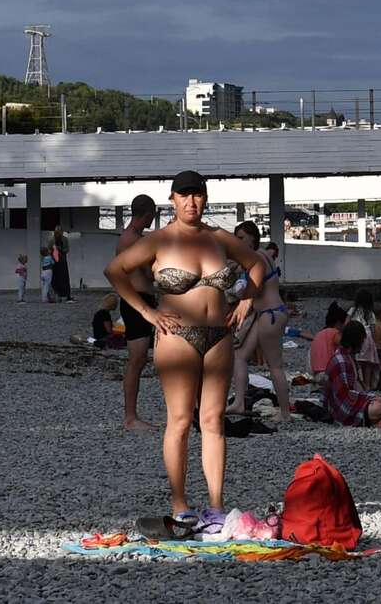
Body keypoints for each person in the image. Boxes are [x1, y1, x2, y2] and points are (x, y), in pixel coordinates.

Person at [104, 170, 268, 518]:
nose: (191, 201)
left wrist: (246, 302)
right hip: (177, 336)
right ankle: (180, 504)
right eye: (184, 195)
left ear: (205, 199)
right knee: (179, 421)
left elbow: (256, 263)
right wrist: (147, 312)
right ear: (173, 200)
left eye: (197, 195)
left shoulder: (219, 237)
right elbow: (116, 270)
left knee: (213, 420)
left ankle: (216, 506)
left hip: (218, 337)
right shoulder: (159, 240)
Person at [228, 225, 294, 423]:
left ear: (252, 238)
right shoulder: (263, 254)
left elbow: (251, 289)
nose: (238, 241)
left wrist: (238, 290)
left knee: (275, 366)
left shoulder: (256, 257)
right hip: (268, 314)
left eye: (241, 237)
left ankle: (285, 413)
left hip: (269, 314)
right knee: (239, 356)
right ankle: (239, 402)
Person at [115, 195, 161, 432]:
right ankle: (130, 417)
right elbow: (151, 273)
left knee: (140, 359)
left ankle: (131, 416)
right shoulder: (133, 240)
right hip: (137, 302)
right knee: (136, 360)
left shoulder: (132, 238)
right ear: (148, 214)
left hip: (138, 301)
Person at [321, 320, 381, 428]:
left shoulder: (350, 357)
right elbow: (344, 395)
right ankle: (375, 421)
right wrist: (371, 398)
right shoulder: (341, 360)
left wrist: (371, 399)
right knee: (379, 408)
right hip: (344, 409)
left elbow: (357, 387)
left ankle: (380, 422)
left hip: (356, 403)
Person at [348, 289, 381, 388]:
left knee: (357, 360)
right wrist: (376, 343)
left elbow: (347, 323)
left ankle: (359, 383)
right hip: (368, 336)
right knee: (368, 362)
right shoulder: (371, 313)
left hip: (356, 334)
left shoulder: (353, 310)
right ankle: (367, 385)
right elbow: (373, 330)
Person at [308, 302, 348, 378]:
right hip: (326, 373)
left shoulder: (320, 334)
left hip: (315, 372)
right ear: (339, 323)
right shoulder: (335, 333)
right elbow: (345, 346)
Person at [49, 228, 72, 302]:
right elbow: (49, 249)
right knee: (56, 279)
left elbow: (67, 249)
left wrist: (61, 250)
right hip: (55, 261)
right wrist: (53, 251)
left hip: (62, 261)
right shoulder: (52, 240)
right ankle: (57, 295)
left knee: (64, 278)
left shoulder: (65, 239)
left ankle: (66, 295)